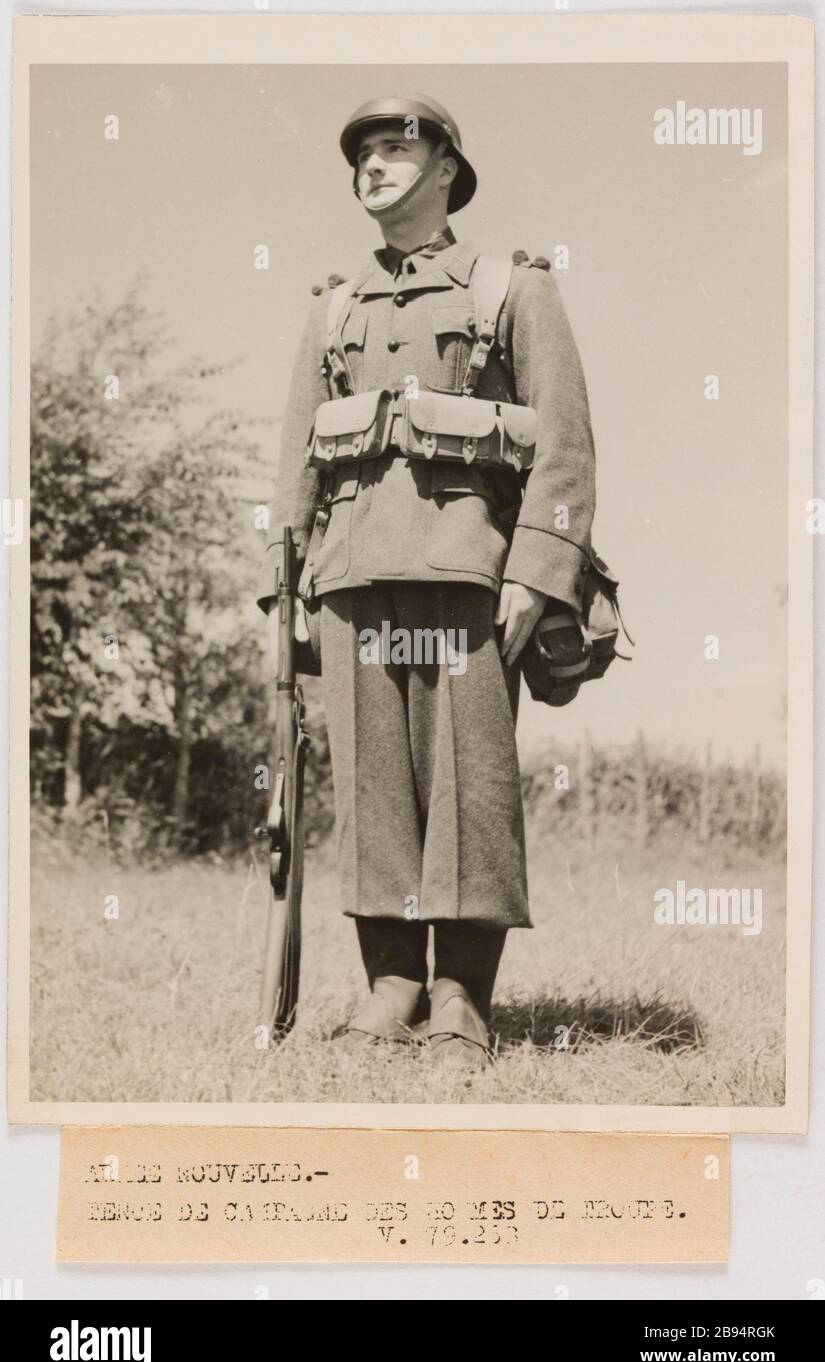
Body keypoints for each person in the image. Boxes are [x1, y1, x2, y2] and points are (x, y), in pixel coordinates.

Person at [258, 95, 596, 1068]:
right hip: (354, 580)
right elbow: (296, 467)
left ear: (447, 167)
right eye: (362, 151)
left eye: (396, 146)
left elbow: (565, 447)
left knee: (470, 787)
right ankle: (391, 987)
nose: (373, 162)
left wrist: (539, 570)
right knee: (370, 790)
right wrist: (287, 597)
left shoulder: (510, 288)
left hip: (471, 575)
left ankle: (460, 1001)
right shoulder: (333, 304)